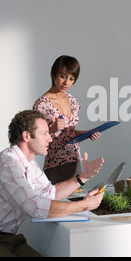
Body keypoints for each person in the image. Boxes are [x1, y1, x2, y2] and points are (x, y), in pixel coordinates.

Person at [0, 110, 105, 257]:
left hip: (9, 239)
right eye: (45, 133)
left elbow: (50, 193)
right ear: (27, 136)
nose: (50, 138)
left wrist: (83, 177)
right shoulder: (9, 163)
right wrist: (83, 205)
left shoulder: (29, 165)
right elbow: (34, 207)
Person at [33, 55, 100, 184]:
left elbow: (70, 133)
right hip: (55, 164)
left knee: (75, 202)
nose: (66, 82)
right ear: (54, 74)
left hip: (74, 160)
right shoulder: (41, 104)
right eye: (63, 76)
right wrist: (52, 129)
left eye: (71, 78)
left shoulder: (72, 100)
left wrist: (88, 133)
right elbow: (35, 138)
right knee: (56, 202)